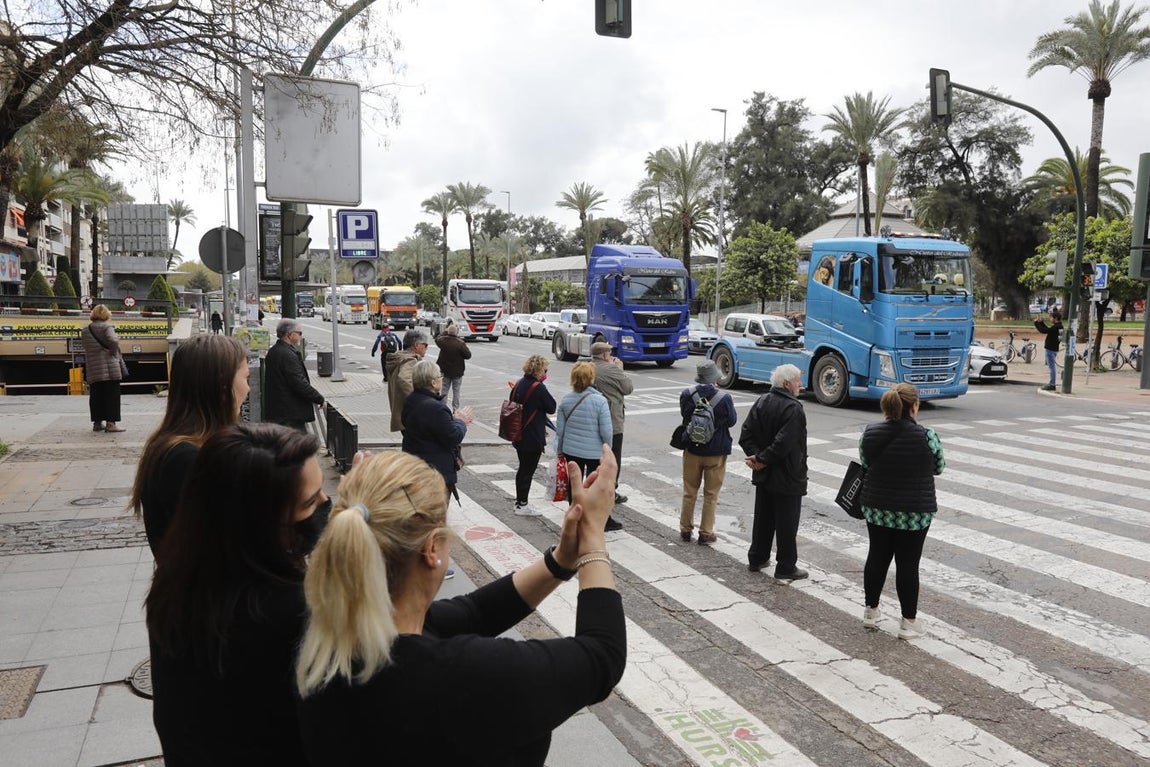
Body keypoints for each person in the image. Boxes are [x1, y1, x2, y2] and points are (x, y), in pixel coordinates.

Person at [294, 445, 625, 767]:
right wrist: (593, 536)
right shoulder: (465, 676)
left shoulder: (331, 644)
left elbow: (476, 611)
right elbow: (603, 654)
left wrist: (560, 561)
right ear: (432, 549)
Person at [146, 423, 328, 767]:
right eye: (310, 501)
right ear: (265, 524)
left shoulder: (177, 585)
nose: (325, 504)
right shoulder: (290, 611)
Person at [130, 334, 249, 553]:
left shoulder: (174, 446)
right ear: (223, 386)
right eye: (245, 378)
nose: (248, 389)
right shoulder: (186, 458)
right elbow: (218, 546)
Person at [859, 383, 945, 640]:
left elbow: (866, 462)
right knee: (908, 564)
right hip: (913, 512)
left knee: (877, 556)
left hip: (877, 507)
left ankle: (871, 613)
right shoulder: (927, 435)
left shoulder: (869, 433)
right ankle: (908, 622)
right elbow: (938, 466)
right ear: (914, 406)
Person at [739, 363, 808, 582]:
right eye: (798, 380)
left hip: (765, 474)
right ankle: (786, 567)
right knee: (787, 523)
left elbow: (746, 434)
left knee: (764, 518)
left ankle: (757, 558)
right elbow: (784, 443)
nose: (801, 384)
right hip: (787, 474)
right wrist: (761, 459)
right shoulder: (793, 408)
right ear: (788, 384)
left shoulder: (762, 401)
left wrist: (758, 458)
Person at [678, 360, 738, 545]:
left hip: (693, 449)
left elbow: (685, 416)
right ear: (714, 378)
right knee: (711, 494)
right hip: (716, 451)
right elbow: (732, 421)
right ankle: (706, 532)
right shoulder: (724, 398)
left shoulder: (687, 394)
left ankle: (685, 529)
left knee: (689, 491)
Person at [555, 361, 618, 531]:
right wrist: (608, 450)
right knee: (597, 485)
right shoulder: (600, 401)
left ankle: (575, 513)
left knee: (574, 484)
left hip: (570, 449)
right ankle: (599, 518)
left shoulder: (567, 400)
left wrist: (560, 450)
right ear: (591, 378)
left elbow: (560, 430)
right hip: (593, 451)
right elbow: (606, 431)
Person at [401, 359, 473, 501]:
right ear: (433, 383)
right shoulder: (436, 408)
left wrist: (450, 419)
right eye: (440, 376)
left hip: (414, 468)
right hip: (434, 473)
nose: (442, 379)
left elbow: (428, 426)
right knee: (434, 517)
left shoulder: (411, 400)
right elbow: (452, 436)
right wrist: (461, 421)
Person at [510, 354, 558, 517]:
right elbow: (551, 407)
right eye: (545, 369)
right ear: (539, 370)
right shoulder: (538, 387)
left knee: (522, 469)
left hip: (518, 433)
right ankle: (522, 504)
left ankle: (519, 501)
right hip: (532, 436)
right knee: (527, 470)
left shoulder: (519, 384)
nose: (545, 372)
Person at [592, 341, 634, 517]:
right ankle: (611, 490)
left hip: (592, 420)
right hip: (612, 420)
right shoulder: (612, 370)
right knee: (613, 457)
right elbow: (628, 388)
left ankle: (593, 486)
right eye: (609, 353)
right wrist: (620, 369)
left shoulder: (588, 367)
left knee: (595, 457)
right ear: (604, 355)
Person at [264, 319, 324, 432]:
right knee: (295, 446)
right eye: (299, 333)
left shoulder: (275, 351)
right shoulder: (287, 355)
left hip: (280, 411)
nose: (301, 336)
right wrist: (319, 398)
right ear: (290, 335)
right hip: (290, 413)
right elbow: (298, 382)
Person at [80, 304, 125, 433]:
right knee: (112, 395)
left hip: (93, 367)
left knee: (96, 395)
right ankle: (111, 424)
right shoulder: (107, 327)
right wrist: (113, 350)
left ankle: (97, 423)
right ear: (106, 314)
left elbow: (86, 346)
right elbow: (113, 341)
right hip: (109, 366)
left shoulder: (85, 329)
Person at [387, 328, 430, 432]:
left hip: (404, 413)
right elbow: (404, 379)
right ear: (416, 345)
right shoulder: (410, 360)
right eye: (425, 345)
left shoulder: (400, 358)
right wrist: (420, 400)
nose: (426, 348)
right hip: (411, 414)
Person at [434, 321, 472, 411]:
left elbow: (437, 338)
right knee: (456, 391)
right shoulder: (460, 343)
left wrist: (445, 331)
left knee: (444, 390)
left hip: (445, 371)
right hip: (457, 371)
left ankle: (442, 408)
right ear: (457, 332)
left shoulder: (442, 341)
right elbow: (468, 355)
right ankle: (455, 409)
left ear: (448, 332)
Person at [1035, 308, 1063, 391]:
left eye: (1051, 318)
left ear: (1055, 318)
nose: (1050, 319)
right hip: (1053, 349)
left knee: (1052, 367)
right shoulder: (1058, 326)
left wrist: (1036, 323)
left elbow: (1043, 330)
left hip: (1050, 349)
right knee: (1052, 366)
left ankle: (1052, 384)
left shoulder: (1055, 328)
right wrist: (1041, 322)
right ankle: (1052, 383)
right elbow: (1048, 330)